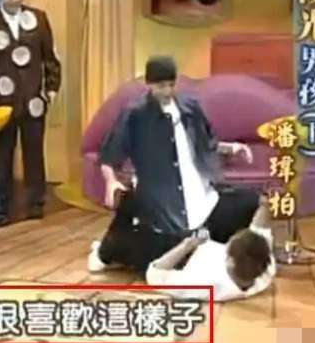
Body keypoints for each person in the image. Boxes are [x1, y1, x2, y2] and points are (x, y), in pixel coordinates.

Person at [88, 55, 259, 274]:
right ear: (149, 84)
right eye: (161, 86)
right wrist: (111, 182)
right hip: (163, 205)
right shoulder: (134, 114)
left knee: (249, 202)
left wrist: (232, 148)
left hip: (202, 196)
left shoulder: (190, 107)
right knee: (166, 254)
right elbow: (110, 154)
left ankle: (219, 248)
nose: (167, 91)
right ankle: (105, 252)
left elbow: (206, 142)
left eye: (171, 84)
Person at [0, 0, 61, 225]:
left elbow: (50, 56)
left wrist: (52, 86)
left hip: (33, 97)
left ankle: (36, 201)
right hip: (2, 100)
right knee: (3, 152)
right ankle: (2, 202)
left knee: (34, 151)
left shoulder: (39, 18)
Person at [145, 195, 275, 302]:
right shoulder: (264, 269)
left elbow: (155, 276)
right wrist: (264, 204)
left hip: (180, 255)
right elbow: (259, 227)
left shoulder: (205, 285)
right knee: (249, 201)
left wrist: (187, 245)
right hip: (206, 238)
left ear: (230, 262)